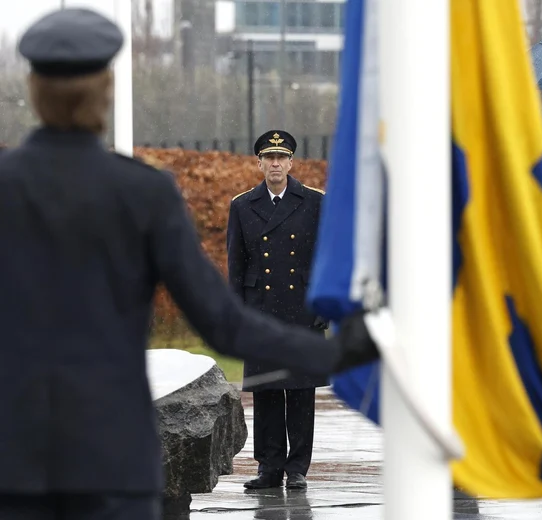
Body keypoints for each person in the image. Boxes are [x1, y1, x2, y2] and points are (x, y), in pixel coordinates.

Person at [0, 8, 378, 519]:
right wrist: (340, 353)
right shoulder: (143, 192)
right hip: (115, 457)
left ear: (35, 90)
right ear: (107, 90)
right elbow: (223, 322)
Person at [227, 130, 329, 490]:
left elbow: (326, 258)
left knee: (300, 393)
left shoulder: (315, 202)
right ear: (258, 163)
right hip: (260, 312)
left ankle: (297, 467)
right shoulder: (242, 205)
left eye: (281, 158)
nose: (274, 163)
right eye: (268, 158)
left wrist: (324, 305)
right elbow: (236, 265)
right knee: (266, 392)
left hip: (301, 309)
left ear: (291, 163)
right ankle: (269, 466)